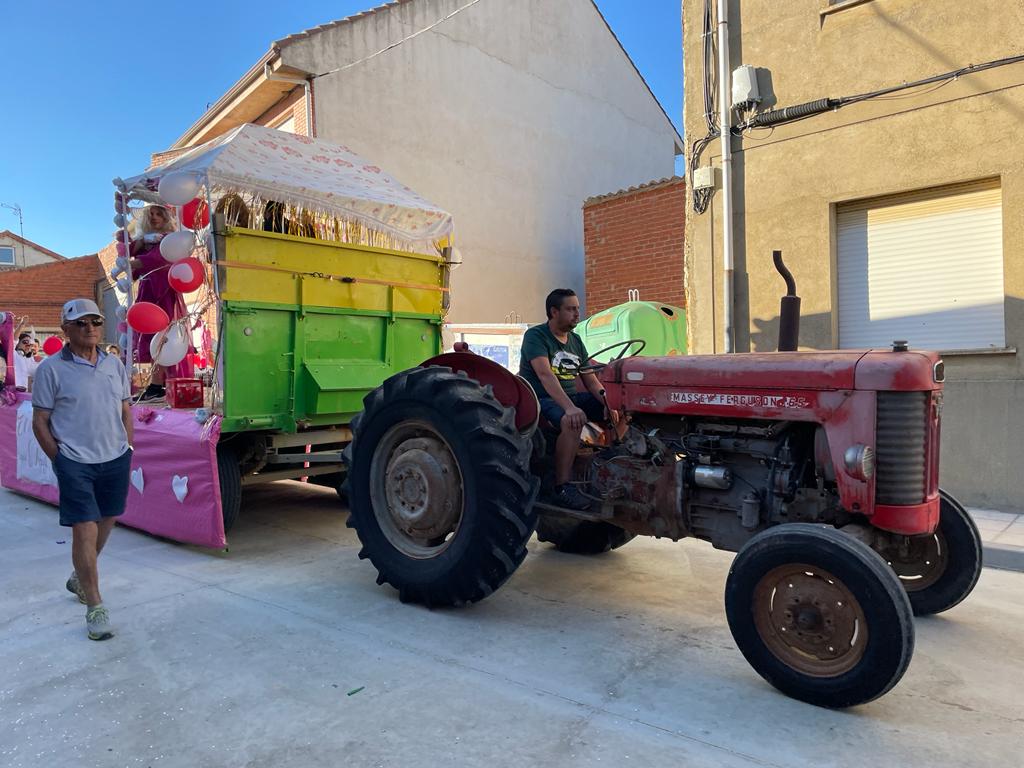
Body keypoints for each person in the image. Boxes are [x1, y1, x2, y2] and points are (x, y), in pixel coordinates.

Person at [32, 298, 133, 641]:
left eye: (95, 321)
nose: (89, 328)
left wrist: (128, 446)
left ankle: (79, 576)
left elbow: (125, 410)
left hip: (115, 457)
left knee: (108, 520)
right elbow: (40, 421)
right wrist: (59, 459)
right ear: (65, 330)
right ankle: (95, 606)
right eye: (80, 323)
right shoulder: (50, 369)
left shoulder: (113, 365)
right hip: (75, 461)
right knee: (84, 529)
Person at [518, 289, 620, 510]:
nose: (577, 313)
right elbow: (545, 375)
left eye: (577, 309)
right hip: (540, 398)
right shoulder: (536, 336)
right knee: (571, 420)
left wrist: (608, 404)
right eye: (570, 309)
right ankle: (562, 487)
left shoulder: (575, 340)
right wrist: (570, 408)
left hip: (569, 397)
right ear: (554, 312)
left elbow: (591, 380)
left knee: (621, 410)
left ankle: (612, 461)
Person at [129, 204, 194, 399]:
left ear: (166, 217)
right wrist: (139, 245)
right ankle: (156, 384)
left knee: (164, 334)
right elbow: (134, 262)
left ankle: (159, 385)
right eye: (151, 214)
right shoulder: (143, 241)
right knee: (150, 336)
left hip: (163, 290)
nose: (155, 217)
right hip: (148, 289)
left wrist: (130, 262)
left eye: (159, 213)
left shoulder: (170, 240)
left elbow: (157, 259)